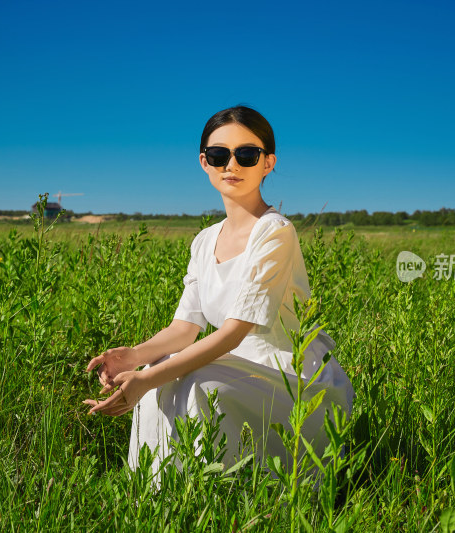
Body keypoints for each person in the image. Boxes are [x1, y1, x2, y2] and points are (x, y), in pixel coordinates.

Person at [85, 105, 355, 474]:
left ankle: (220, 497)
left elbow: (232, 335)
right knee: (159, 365)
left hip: (294, 379)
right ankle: (155, 500)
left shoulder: (275, 232)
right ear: (204, 162)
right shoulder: (204, 240)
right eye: (219, 155)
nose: (232, 165)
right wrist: (134, 357)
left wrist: (146, 380)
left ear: (268, 163)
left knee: (192, 382)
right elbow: (184, 329)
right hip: (238, 366)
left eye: (247, 154)